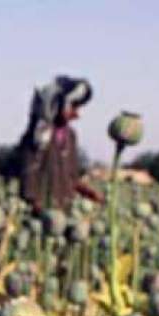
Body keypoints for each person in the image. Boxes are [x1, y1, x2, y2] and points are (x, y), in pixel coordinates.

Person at [17, 76, 103, 213]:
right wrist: (36, 204)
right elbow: (28, 177)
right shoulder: (37, 135)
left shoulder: (71, 136)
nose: (77, 114)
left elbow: (72, 178)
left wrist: (89, 193)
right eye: (73, 107)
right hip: (41, 216)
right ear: (56, 104)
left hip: (66, 211)